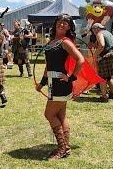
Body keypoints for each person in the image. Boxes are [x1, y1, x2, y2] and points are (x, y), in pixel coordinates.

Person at [36, 14, 84, 159]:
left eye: (65, 23)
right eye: (60, 22)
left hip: (61, 84)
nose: (62, 24)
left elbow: (80, 60)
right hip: (52, 83)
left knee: (49, 114)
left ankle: (62, 148)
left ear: (69, 27)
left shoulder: (65, 42)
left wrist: (71, 78)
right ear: (55, 23)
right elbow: (48, 66)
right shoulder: (51, 42)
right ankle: (66, 148)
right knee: (61, 116)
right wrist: (42, 83)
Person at [91, 23, 113, 102]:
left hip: (105, 57)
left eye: (93, 30)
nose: (93, 32)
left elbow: (102, 45)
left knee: (102, 77)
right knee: (109, 77)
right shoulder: (109, 33)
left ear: (96, 28)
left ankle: (104, 96)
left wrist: (95, 55)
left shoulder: (99, 33)